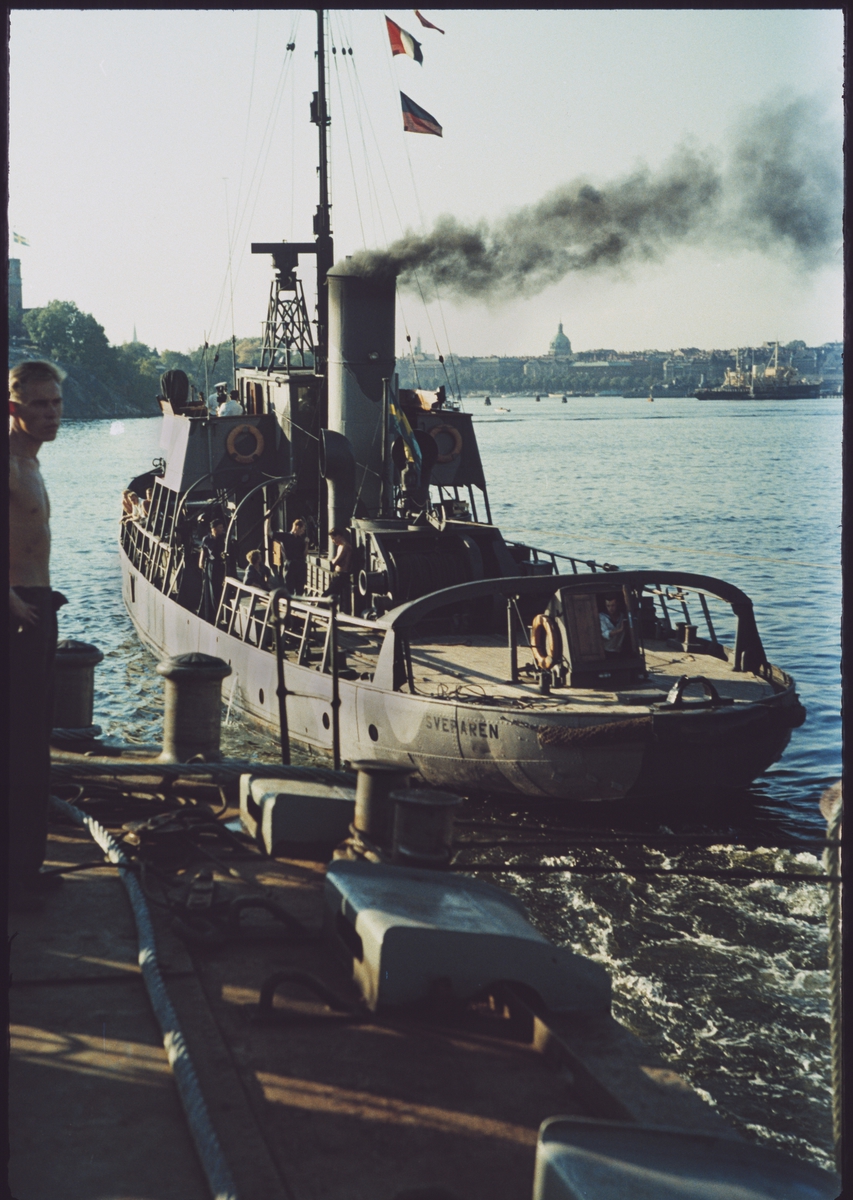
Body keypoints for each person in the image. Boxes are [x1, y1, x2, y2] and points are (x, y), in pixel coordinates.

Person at [8, 359, 68, 912]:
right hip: (18, 614)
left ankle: (26, 866)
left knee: (34, 742)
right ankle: (16, 875)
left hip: (38, 607)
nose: (51, 414)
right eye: (39, 405)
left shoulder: (32, 461)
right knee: (20, 744)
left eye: (56, 403)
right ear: (14, 408)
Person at [198, 518, 227, 620]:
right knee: (213, 588)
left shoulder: (224, 538)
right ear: (214, 529)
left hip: (222, 564)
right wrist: (201, 561)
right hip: (212, 565)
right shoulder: (207, 539)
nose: (222, 529)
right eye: (220, 527)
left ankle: (221, 612)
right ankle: (214, 613)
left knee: (221, 588)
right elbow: (204, 550)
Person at [275, 518, 309, 596]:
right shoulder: (285, 536)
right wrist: (268, 520)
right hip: (290, 564)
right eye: (302, 529)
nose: (303, 532)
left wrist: (307, 544)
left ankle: (298, 602)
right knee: (289, 587)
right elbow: (270, 533)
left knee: (300, 589)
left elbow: (304, 554)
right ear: (297, 527)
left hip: (300, 564)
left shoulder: (301, 539)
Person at [325, 527, 353, 609]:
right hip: (337, 574)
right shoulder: (340, 546)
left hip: (341, 575)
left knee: (327, 595)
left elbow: (335, 562)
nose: (333, 541)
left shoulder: (345, 546)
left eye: (333, 538)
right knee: (330, 595)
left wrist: (333, 560)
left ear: (338, 536)